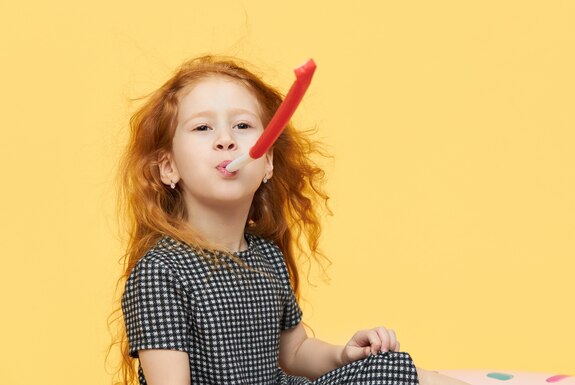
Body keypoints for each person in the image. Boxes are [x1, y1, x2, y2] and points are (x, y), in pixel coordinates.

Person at [114, 54, 468, 385]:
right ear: (168, 167)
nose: (226, 141)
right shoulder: (161, 272)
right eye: (203, 128)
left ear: (267, 163)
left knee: (384, 367)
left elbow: (295, 352)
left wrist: (344, 354)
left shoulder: (268, 257)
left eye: (242, 125)